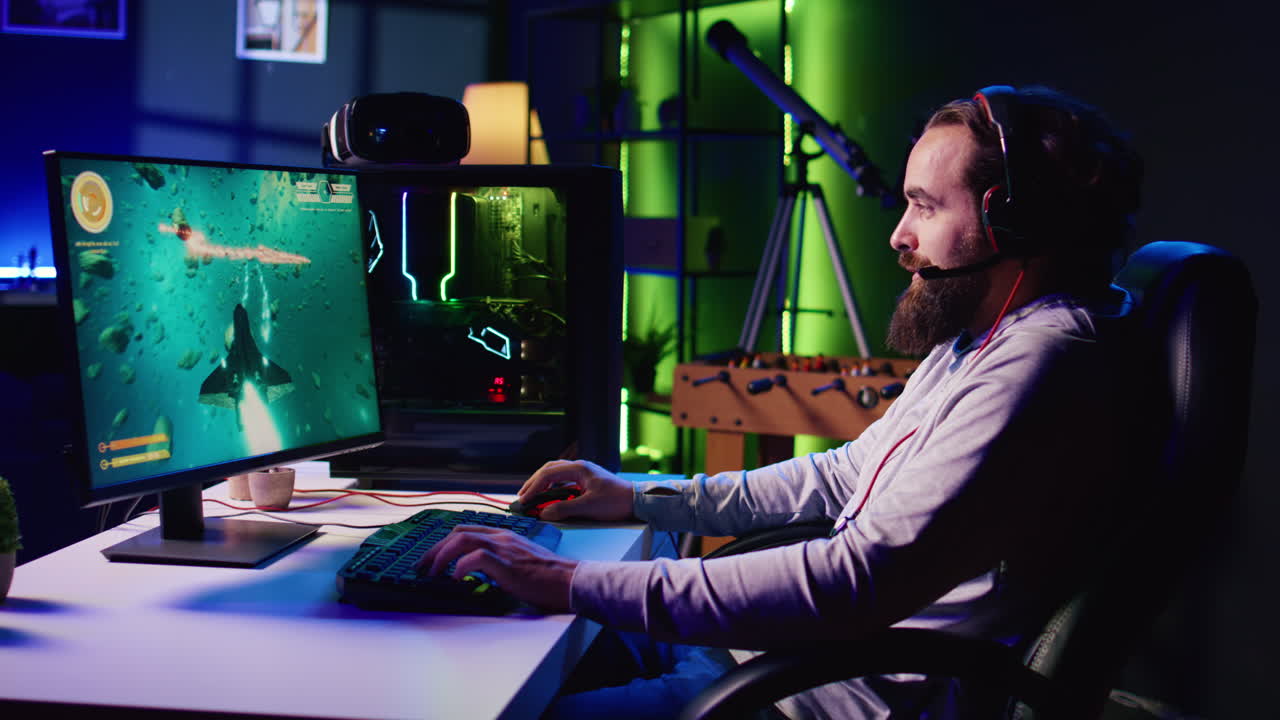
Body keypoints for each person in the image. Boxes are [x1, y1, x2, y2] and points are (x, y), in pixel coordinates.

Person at [418, 85, 1144, 719]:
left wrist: (567, 580)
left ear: (1012, 222)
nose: (899, 236)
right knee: (475, 654)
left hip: (809, 698)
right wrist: (641, 498)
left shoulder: (1042, 362)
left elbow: (854, 579)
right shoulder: (982, 338)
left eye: (924, 206)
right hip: (766, 657)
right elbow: (840, 475)